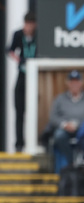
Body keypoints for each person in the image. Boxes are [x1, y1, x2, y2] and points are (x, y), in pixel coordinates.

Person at [50, 70, 84, 172]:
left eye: (77, 81)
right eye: (72, 81)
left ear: (81, 83)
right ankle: (71, 161)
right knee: (59, 135)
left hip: (83, 130)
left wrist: (80, 125)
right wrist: (65, 124)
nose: (74, 84)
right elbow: (53, 117)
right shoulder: (60, 99)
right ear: (67, 83)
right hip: (65, 130)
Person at [6, 11, 36, 152]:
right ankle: (19, 143)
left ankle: (35, 141)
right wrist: (19, 60)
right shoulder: (18, 34)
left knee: (34, 109)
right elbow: (10, 50)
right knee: (19, 110)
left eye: (30, 24)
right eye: (26, 24)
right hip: (23, 74)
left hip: (35, 76)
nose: (28, 27)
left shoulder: (39, 36)